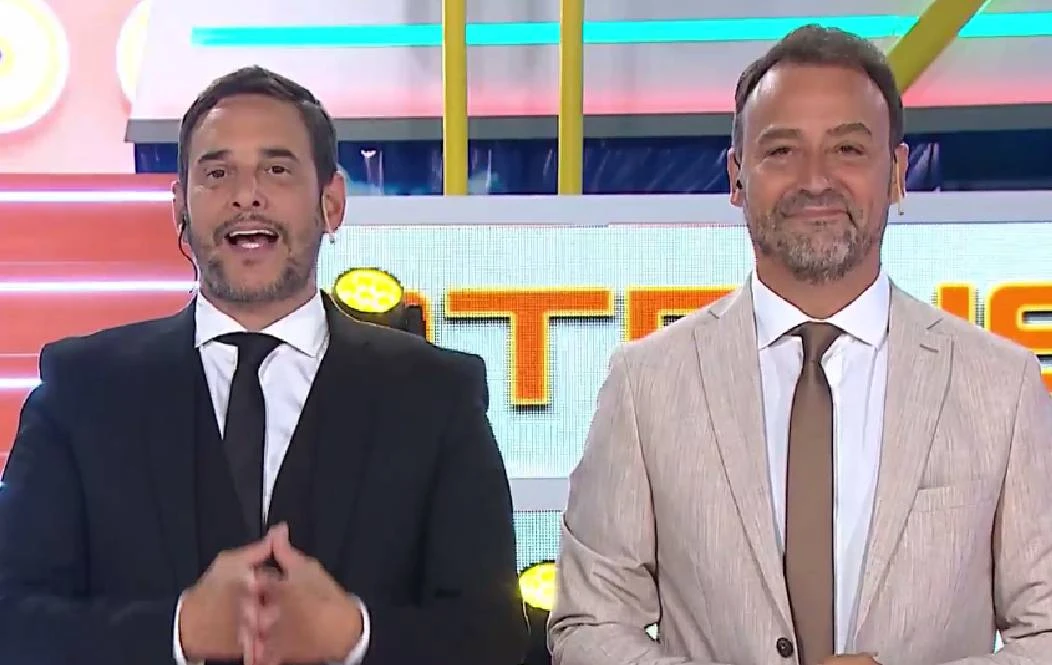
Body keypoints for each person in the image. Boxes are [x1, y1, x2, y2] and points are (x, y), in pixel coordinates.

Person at [548, 25, 1052, 665]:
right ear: (737, 177)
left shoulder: (1000, 385)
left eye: (848, 148)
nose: (816, 180)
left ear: (897, 174)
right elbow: (588, 626)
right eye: (782, 151)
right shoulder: (646, 382)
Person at [0, 66, 527, 665]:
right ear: (179, 207)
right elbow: (12, 620)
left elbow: (492, 636)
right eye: (216, 172)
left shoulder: (435, 396)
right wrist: (179, 631)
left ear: (331, 202)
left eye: (276, 170)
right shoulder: (83, 392)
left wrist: (354, 635)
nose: (245, 195)